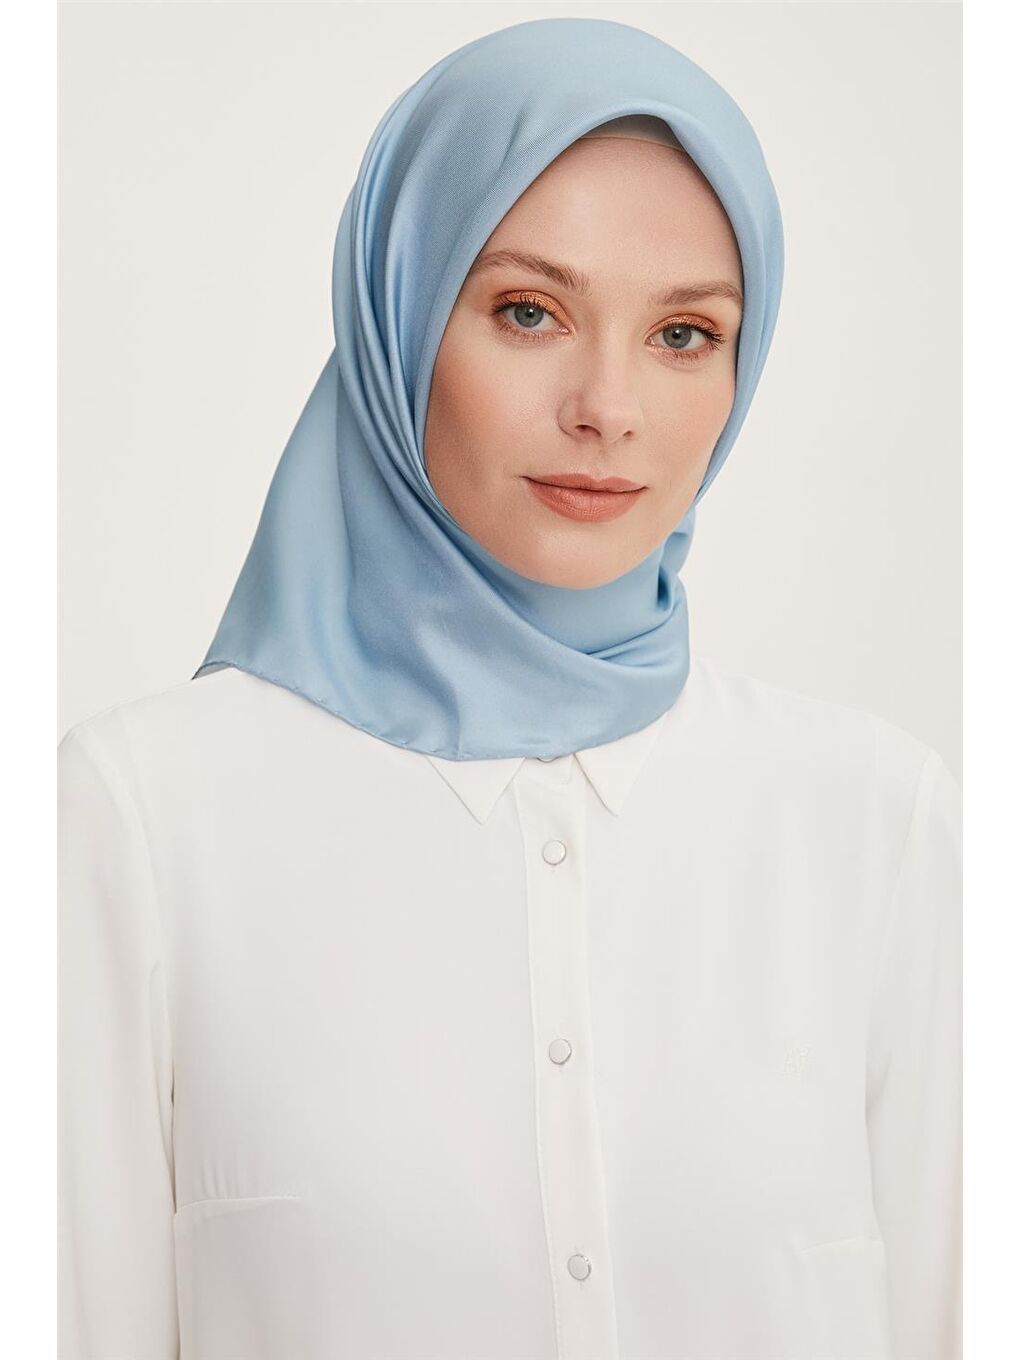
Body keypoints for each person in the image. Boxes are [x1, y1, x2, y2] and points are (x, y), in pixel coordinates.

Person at [57, 16, 961, 1360]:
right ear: (400, 316)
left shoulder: (878, 823)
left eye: (685, 333)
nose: (608, 406)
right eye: (529, 312)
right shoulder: (141, 819)